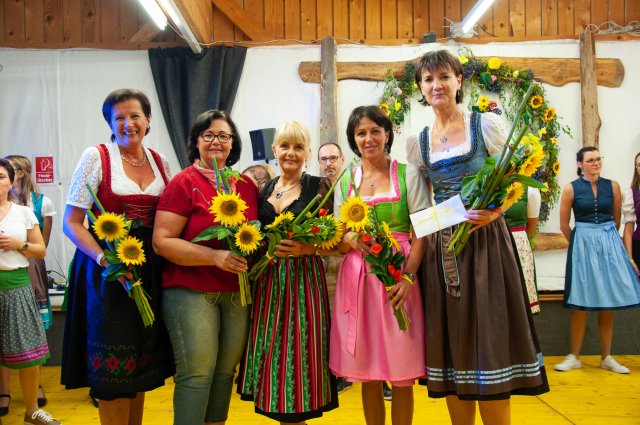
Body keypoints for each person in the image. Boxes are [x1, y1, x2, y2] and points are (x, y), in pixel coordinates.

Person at [406, 50, 549, 425]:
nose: (436, 85)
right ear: (421, 88)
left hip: (486, 244)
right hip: (443, 252)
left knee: (488, 342)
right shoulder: (417, 141)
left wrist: (496, 211)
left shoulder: (484, 125)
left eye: (444, 77)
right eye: (428, 79)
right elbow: (421, 213)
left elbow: (512, 180)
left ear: (458, 81)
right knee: (455, 345)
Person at [61, 89, 175, 425]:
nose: (128, 123)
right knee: (113, 375)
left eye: (135, 115)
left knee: (138, 365)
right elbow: (72, 223)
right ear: (110, 123)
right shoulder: (95, 157)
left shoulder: (161, 161)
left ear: (148, 120)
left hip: (148, 273)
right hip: (106, 275)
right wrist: (104, 260)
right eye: (119, 118)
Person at [153, 110, 259, 424]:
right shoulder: (183, 183)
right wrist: (213, 256)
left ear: (233, 143)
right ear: (196, 141)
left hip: (236, 294)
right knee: (197, 375)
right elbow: (162, 241)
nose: (216, 142)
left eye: (223, 136)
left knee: (225, 374)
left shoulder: (245, 185)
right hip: (192, 292)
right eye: (208, 135)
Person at [329, 105, 428, 425]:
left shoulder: (408, 174)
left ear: (388, 134)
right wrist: (351, 241)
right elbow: (338, 237)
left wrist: (409, 277)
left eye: (375, 131)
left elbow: (422, 232)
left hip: (398, 278)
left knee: (401, 372)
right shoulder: (346, 181)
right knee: (367, 373)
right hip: (358, 282)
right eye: (361, 133)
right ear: (353, 139)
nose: (368, 138)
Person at [238, 120, 338, 423]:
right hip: (268, 283)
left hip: (304, 282)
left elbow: (340, 239)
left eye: (298, 146)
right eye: (285, 146)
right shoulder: (263, 189)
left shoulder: (319, 187)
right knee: (273, 359)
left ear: (307, 151)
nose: (290, 152)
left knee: (300, 358)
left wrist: (311, 249)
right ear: (274, 150)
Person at [555, 147, 640, 374]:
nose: (596, 163)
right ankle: (574, 356)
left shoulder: (612, 186)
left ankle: (606, 356)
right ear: (580, 164)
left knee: (608, 299)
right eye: (591, 160)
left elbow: (617, 218)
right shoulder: (570, 189)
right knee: (580, 300)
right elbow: (564, 224)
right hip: (582, 242)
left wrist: (606, 240)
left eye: (598, 159)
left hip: (608, 240)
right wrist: (579, 242)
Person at [0, 158, 61, 425]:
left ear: (11, 181)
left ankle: (32, 410)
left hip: (17, 287)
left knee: (29, 352)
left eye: (1, 176)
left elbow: (40, 250)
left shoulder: (23, 212)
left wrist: (18, 243)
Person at [316, 143, 354, 396]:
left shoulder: (353, 185)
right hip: (321, 259)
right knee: (330, 319)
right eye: (323, 159)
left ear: (342, 159)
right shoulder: (315, 188)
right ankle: (338, 374)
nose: (328, 163)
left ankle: (378, 376)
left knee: (357, 317)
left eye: (333, 158)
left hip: (348, 259)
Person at [504, 187, 542, 314]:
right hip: (493, 243)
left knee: (519, 299)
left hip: (518, 247)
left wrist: (517, 240)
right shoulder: (490, 185)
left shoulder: (529, 190)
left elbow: (532, 224)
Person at [622, 151, 640, 272]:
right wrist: (630, 260)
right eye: (637, 165)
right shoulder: (632, 194)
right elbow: (628, 230)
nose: (639, 168)